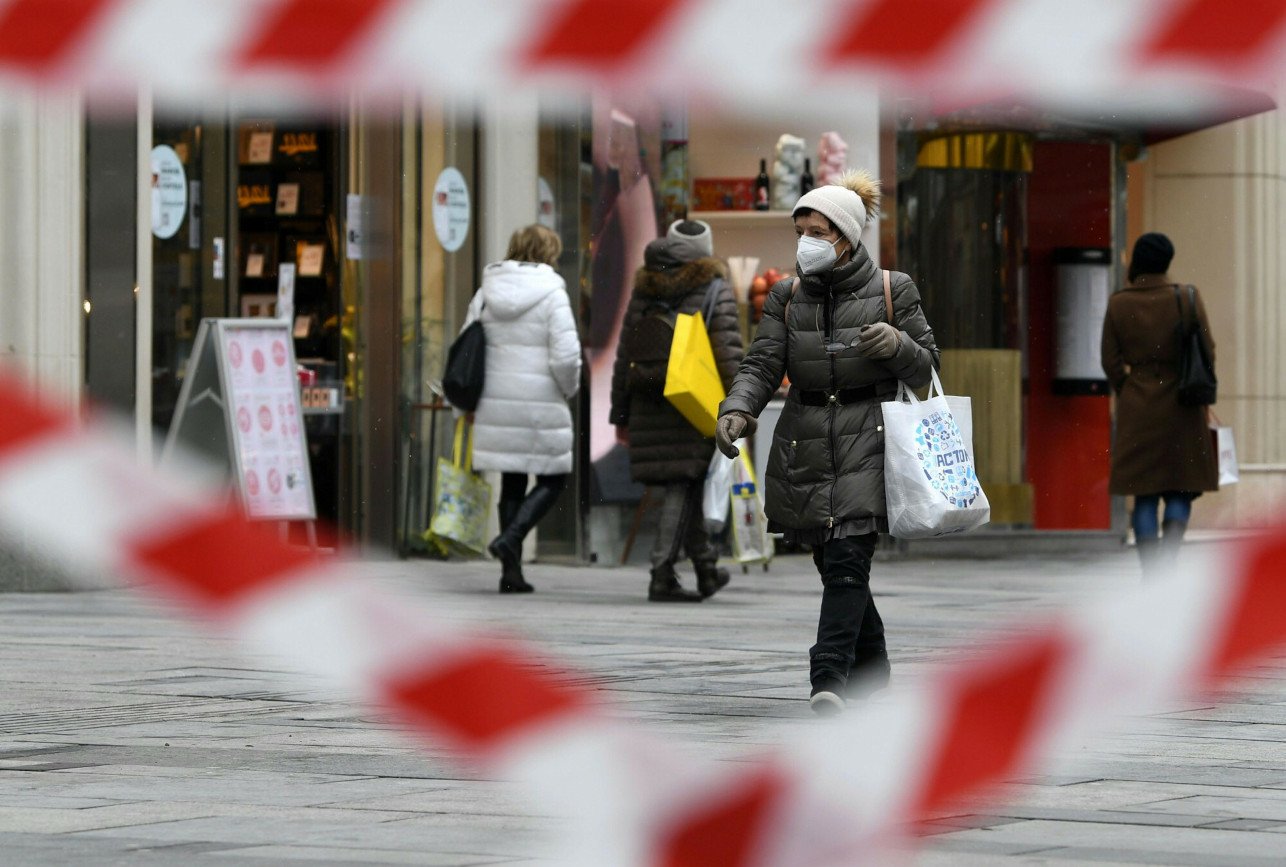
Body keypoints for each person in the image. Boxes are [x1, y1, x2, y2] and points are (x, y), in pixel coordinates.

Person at [713, 171, 939, 716]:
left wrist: (897, 343)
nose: (806, 243)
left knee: (847, 557)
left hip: (870, 433)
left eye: (817, 230)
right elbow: (764, 360)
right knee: (833, 562)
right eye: (800, 231)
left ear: (846, 235)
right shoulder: (786, 297)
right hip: (806, 439)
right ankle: (873, 667)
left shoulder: (893, 288)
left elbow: (929, 365)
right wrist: (738, 407)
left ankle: (828, 677)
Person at [610, 220, 744, 602]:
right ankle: (661, 572)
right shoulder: (713, 286)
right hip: (690, 398)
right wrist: (740, 404)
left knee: (686, 480)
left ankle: (704, 569)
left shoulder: (645, 285)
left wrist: (620, 414)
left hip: (646, 397)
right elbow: (727, 351)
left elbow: (625, 354)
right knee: (682, 483)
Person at [459, 224, 582, 594]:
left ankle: (510, 572)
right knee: (553, 478)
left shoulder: (486, 293)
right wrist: (568, 389)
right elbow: (566, 356)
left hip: (495, 401)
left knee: (512, 479)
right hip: (540, 401)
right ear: (549, 253)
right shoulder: (552, 294)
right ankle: (511, 537)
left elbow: (467, 345)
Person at [1101, 232, 1218, 579]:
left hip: (1138, 408)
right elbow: (1207, 352)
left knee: (1145, 493)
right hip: (1183, 405)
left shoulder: (1119, 303)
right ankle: (1169, 559)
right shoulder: (1186, 297)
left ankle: (1151, 571)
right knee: (1181, 485)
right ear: (1168, 261)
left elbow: (1109, 360)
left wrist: (1130, 387)